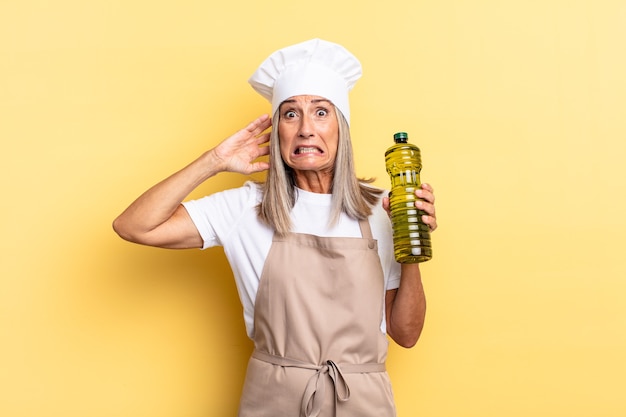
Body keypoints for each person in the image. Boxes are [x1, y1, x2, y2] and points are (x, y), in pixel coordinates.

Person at [113, 38, 437, 417]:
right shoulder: (245, 207)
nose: (305, 129)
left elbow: (406, 334)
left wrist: (411, 242)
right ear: (277, 131)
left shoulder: (383, 208)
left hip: (363, 403)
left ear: (341, 128)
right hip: (274, 403)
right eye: (290, 114)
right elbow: (134, 226)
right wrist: (213, 161)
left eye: (320, 112)